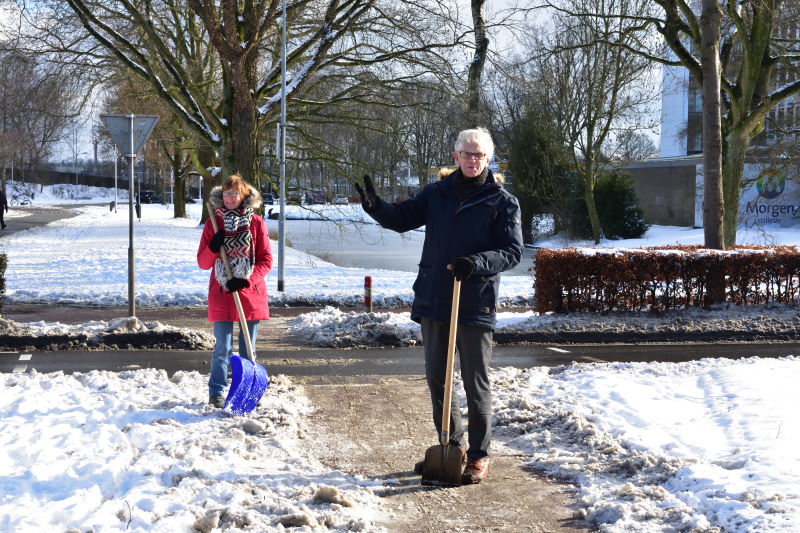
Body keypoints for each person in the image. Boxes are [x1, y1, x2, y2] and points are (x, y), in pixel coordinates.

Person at [355, 127, 523, 484]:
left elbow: (512, 251)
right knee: (438, 380)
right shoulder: (437, 193)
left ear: (488, 158)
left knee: (476, 383)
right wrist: (376, 207)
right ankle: (452, 446)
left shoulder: (502, 202)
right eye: (467, 153)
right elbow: (403, 219)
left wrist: (476, 263)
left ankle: (479, 455)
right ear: (455, 156)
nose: (472, 160)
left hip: (475, 303)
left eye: (479, 155)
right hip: (435, 299)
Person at [197, 173, 273, 407]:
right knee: (222, 348)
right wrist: (213, 246)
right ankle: (216, 392)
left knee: (247, 349)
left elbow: (266, 260)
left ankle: (247, 390)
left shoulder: (256, 223)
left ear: (243, 196)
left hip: (249, 295)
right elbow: (203, 262)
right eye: (226, 194)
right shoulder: (213, 223)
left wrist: (246, 281)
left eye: (234, 194)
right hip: (221, 293)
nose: (230, 198)